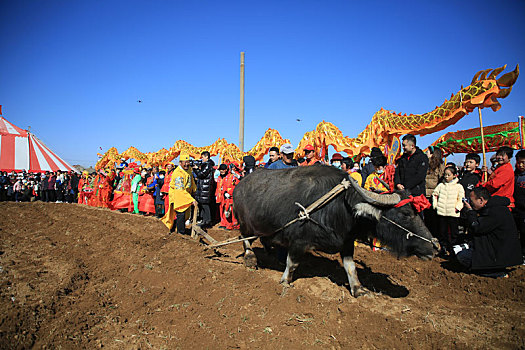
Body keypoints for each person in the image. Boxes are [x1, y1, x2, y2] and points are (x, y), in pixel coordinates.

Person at [456, 187, 523, 276]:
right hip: (499, 250)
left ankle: (496, 273)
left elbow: (476, 227)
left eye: (472, 201)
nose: (470, 203)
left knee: (463, 257)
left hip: (499, 255)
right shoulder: (496, 208)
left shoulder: (494, 212)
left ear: (481, 200)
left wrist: (470, 212)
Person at [432, 166, 465, 255]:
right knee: (442, 232)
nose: (446, 177)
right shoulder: (441, 185)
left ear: (454, 175)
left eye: (448, 175)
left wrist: (458, 207)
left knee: (454, 232)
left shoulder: (459, 186)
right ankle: (443, 248)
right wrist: (435, 205)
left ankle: (454, 248)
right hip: (442, 212)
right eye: (445, 175)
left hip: (453, 213)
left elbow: (461, 198)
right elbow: (434, 195)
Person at [161, 154, 197, 234]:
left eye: (188, 162)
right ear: (180, 163)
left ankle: (179, 228)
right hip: (178, 195)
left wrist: (195, 191)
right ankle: (180, 233)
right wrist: (191, 199)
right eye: (185, 162)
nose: (187, 164)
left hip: (186, 195)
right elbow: (180, 189)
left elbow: (192, 182)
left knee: (186, 214)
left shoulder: (188, 170)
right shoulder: (178, 173)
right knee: (180, 212)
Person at [193, 151, 216, 228]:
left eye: (202, 157)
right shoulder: (206, 165)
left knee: (205, 206)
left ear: (207, 157)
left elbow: (201, 174)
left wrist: (196, 170)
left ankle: (208, 222)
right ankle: (204, 220)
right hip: (203, 189)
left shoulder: (208, 165)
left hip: (205, 189)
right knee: (203, 205)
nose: (202, 159)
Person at [215, 164, 239, 230]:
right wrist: (217, 194)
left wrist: (229, 193)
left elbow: (235, 186)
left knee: (229, 210)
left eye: (223, 170)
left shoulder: (232, 177)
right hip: (221, 197)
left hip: (229, 197)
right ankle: (223, 223)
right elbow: (218, 187)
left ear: (226, 170)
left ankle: (231, 225)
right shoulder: (220, 177)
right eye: (220, 170)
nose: (221, 171)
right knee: (222, 210)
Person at [513, 150, 525, 260]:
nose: (521, 165)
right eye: (518, 162)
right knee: (514, 232)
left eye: (523, 162)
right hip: (516, 208)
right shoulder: (515, 175)